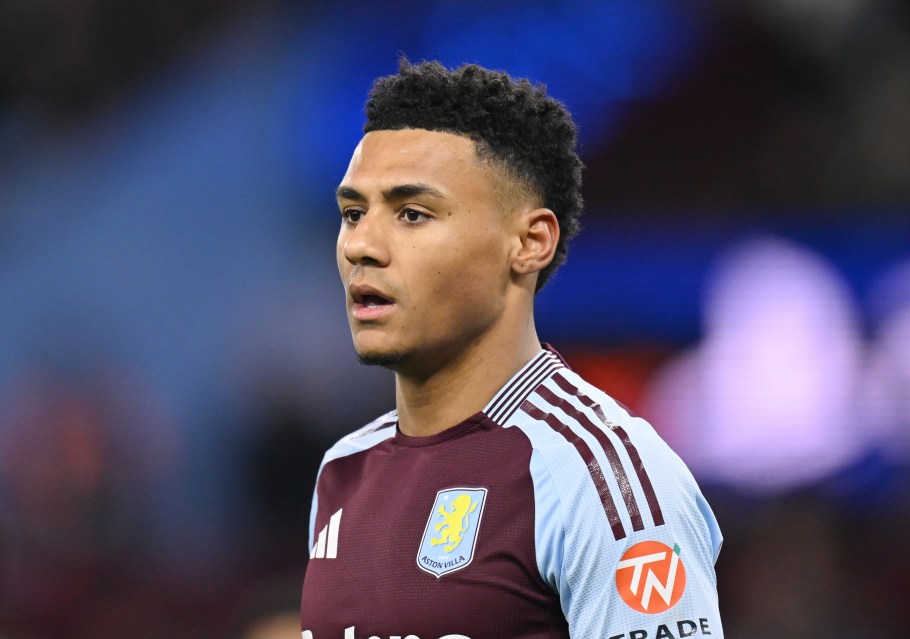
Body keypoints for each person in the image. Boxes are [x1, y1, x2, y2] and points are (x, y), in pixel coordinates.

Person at [301, 60, 724, 639]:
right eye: (353, 214)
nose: (362, 246)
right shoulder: (343, 469)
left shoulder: (602, 474)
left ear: (529, 243)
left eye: (412, 214)